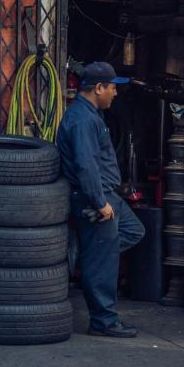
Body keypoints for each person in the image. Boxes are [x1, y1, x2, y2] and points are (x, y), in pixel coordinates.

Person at [57, 61, 145, 338]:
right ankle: (103, 322)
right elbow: (86, 165)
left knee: (134, 230)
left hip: (109, 195)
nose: (115, 94)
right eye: (112, 88)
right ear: (98, 88)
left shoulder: (91, 116)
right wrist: (99, 202)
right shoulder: (83, 120)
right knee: (102, 261)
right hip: (95, 200)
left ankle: (91, 257)